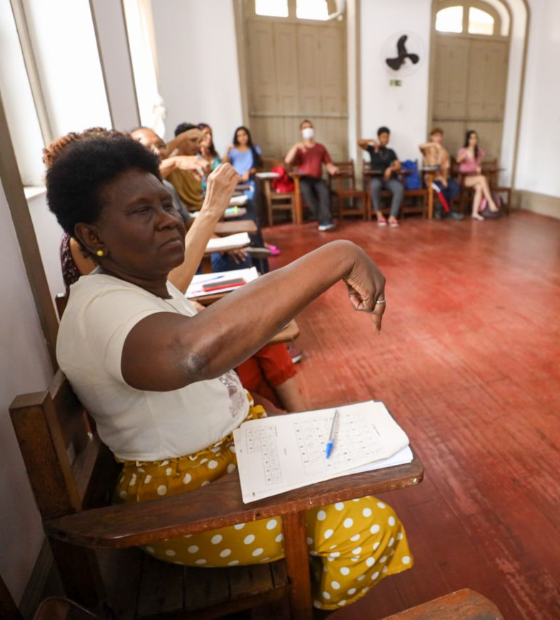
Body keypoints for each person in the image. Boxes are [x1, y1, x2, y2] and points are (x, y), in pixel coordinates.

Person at [47, 134, 412, 612]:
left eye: (167, 203)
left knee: (366, 462)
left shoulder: (144, 288)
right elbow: (190, 355)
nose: (168, 221)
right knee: (370, 527)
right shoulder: (99, 309)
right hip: (184, 499)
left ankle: (305, 583)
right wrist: (338, 254)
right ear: (92, 236)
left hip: (236, 458)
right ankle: (304, 609)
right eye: (142, 212)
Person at [285, 120, 339, 232]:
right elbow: (287, 160)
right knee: (308, 194)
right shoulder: (299, 148)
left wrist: (333, 169)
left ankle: (327, 221)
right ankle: (323, 221)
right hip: (303, 179)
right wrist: (296, 147)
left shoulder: (320, 148)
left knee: (324, 192)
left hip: (318, 179)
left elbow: (328, 163)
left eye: (310, 127)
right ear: (300, 131)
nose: (308, 129)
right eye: (305, 127)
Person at [358, 127, 403, 228]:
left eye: (387, 137)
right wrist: (372, 141)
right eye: (383, 137)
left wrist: (391, 169)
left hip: (388, 179)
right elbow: (359, 142)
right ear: (379, 137)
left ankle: (392, 217)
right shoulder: (372, 149)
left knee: (399, 188)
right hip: (376, 178)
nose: (385, 139)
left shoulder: (391, 152)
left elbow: (398, 165)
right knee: (375, 186)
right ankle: (379, 215)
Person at [419, 128, 464, 221]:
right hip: (431, 178)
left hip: (443, 177)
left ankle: (440, 209)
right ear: (431, 137)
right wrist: (434, 144)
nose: (438, 138)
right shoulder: (428, 148)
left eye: (440, 136)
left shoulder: (444, 151)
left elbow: (446, 167)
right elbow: (420, 146)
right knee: (442, 189)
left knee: (455, 187)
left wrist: (444, 179)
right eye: (436, 136)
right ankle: (449, 212)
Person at [457, 130, 500, 221]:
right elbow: (458, 161)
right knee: (483, 178)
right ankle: (491, 202)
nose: (474, 140)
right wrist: (467, 152)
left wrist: (479, 168)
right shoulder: (462, 150)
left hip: (475, 177)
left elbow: (478, 165)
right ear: (467, 139)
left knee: (480, 186)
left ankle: (474, 213)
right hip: (465, 177)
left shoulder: (479, 151)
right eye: (471, 138)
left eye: (475, 138)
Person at [224, 125, 262, 203]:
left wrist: (249, 172)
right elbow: (224, 164)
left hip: (249, 179)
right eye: (239, 136)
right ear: (236, 138)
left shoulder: (254, 149)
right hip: (235, 180)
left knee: (249, 200)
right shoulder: (232, 150)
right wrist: (227, 151)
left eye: (244, 134)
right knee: (235, 202)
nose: (242, 137)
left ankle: (250, 215)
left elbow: (259, 167)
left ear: (248, 135)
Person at [197, 123, 222, 191]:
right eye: (206, 133)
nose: (209, 137)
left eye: (210, 134)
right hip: (202, 192)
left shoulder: (215, 154)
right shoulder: (194, 156)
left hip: (218, 190)